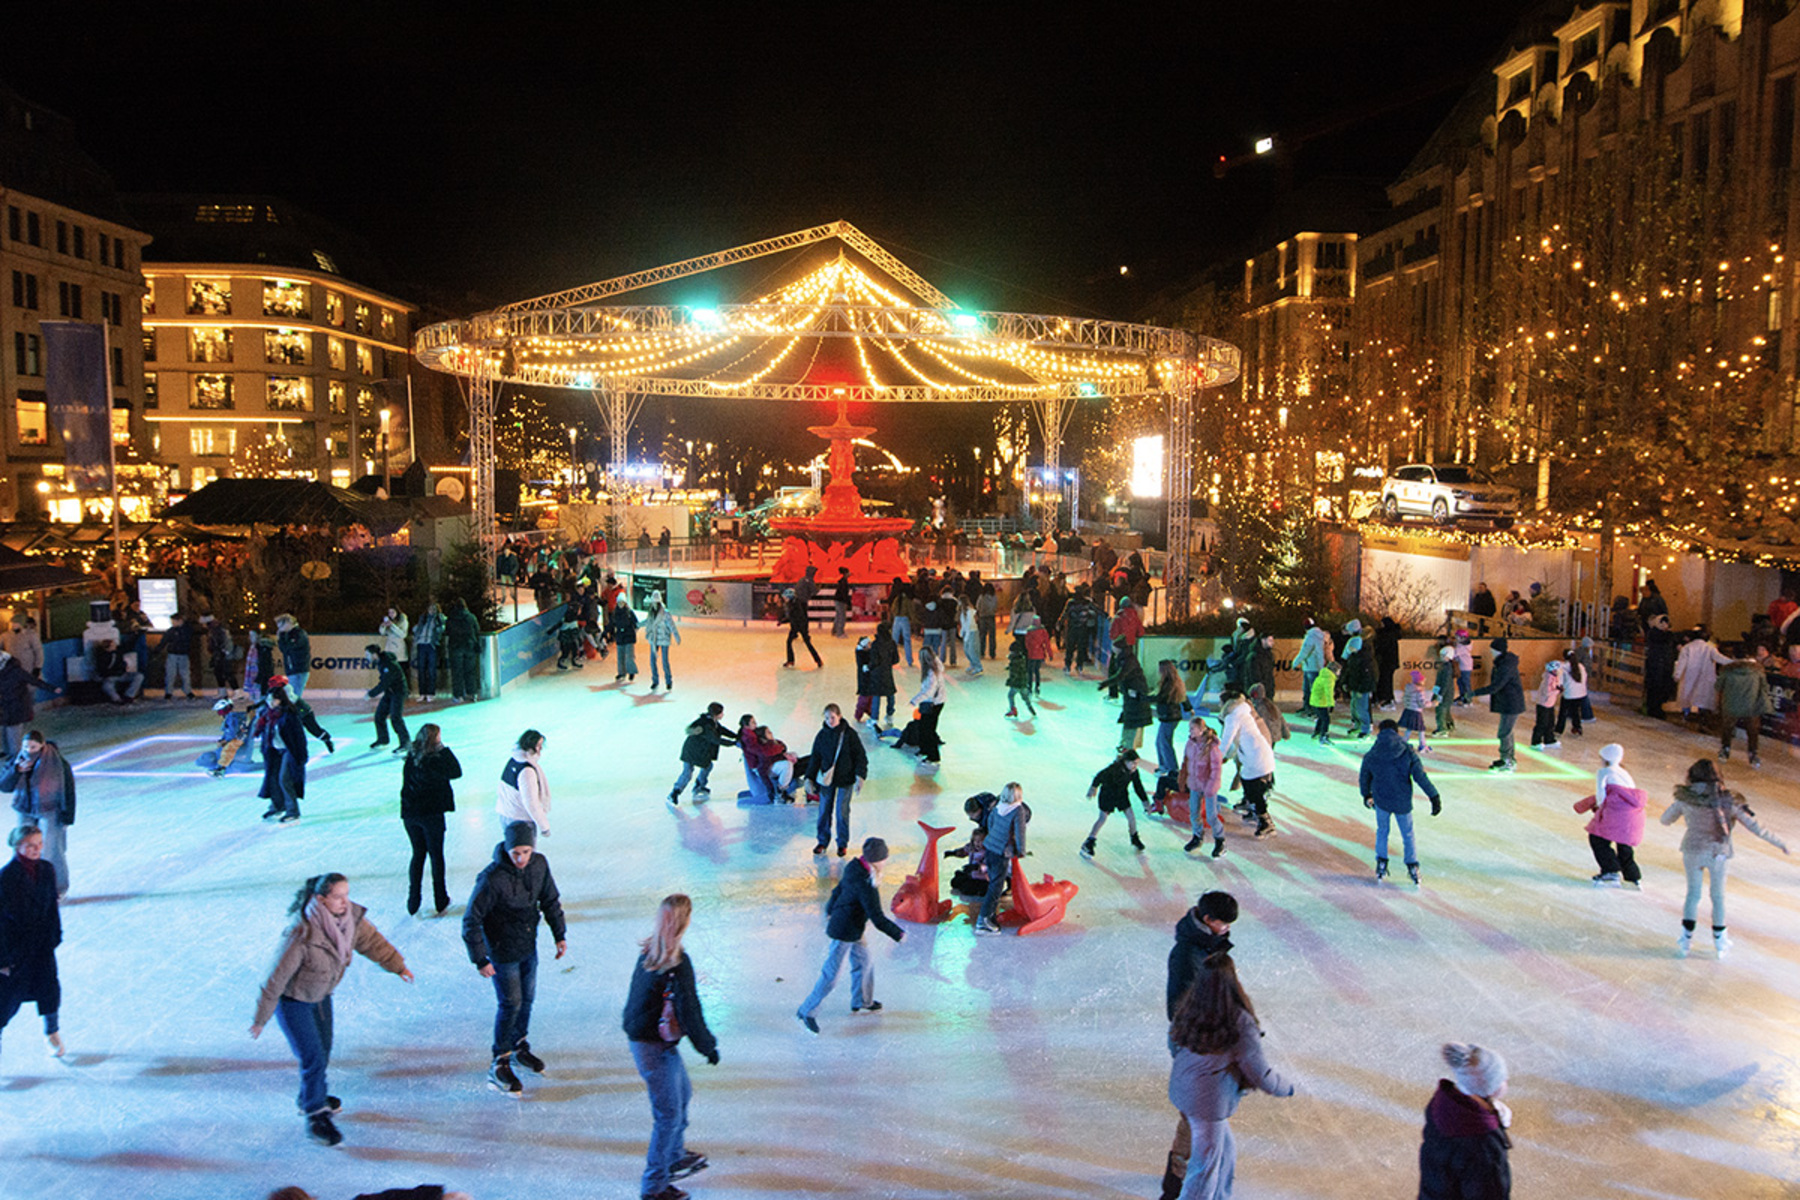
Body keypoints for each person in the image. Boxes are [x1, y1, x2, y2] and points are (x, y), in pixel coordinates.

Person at [252, 872, 412, 1146]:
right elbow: (274, 978)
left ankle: (308, 1097)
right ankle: (316, 1115)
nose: (344, 902)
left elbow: (374, 944)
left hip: (321, 997)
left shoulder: (350, 922)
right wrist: (260, 1018)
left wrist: (398, 966)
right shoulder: (302, 934)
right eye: (338, 897)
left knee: (323, 1052)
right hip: (293, 1002)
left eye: (346, 895)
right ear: (321, 899)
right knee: (312, 1056)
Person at [1167, 952, 1296, 1200]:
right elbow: (1259, 1072)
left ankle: (1221, 1197)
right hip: (1207, 1104)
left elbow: (1173, 1044)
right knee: (1204, 1170)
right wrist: (1285, 1087)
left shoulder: (1189, 1008)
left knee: (1225, 1154)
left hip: (1184, 1091)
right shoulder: (1239, 1022)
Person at [622, 894, 717, 1200]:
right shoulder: (675, 963)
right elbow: (691, 1012)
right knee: (668, 1116)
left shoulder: (652, 950)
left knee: (683, 1095)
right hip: (651, 1046)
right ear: (684, 922)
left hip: (653, 1040)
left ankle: (674, 1156)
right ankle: (654, 1187)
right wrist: (708, 1047)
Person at [463, 821, 567, 1097]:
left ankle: (519, 1045)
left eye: (525, 852)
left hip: (527, 947)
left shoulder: (539, 865)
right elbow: (471, 920)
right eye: (515, 853)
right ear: (507, 849)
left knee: (527, 1000)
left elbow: (550, 900)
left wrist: (559, 934)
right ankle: (500, 1061)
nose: (521, 859)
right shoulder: (492, 878)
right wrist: (480, 959)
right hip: (501, 951)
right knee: (511, 1004)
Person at [1659, 759, 1789, 958]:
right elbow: (1755, 827)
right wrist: (1779, 843)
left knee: (1693, 895)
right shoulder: (1728, 801)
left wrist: (1685, 813)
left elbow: (1665, 820)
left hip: (1693, 850)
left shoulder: (1686, 798)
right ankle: (1720, 940)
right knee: (1718, 897)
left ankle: (1686, 938)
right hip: (1719, 852)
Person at [1159, 891, 1238, 1200]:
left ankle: (1179, 1182)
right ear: (1207, 920)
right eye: (1224, 923)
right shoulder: (1187, 956)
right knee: (1195, 1118)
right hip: (1194, 1047)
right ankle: (1174, 1185)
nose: (1228, 929)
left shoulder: (1205, 944)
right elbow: (1180, 1010)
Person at [796, 836, 905, 1033]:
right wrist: (898, 934)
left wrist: (829, 908)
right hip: (844, 930)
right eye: (884, 858)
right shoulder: (865, 883)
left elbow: (838, 890)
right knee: (831, 975)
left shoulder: (855, 867)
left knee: (864, 963)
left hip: (853, 927)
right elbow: (877, 917)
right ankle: (807, 1010)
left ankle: (863, 1000)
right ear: (877, 860)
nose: (886, 861)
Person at [0, 823, 63, 1062]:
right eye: (30, 846)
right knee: (4, 1003)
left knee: (49, 991)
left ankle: (52, 1032)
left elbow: (51, 907)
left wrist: (55, 936)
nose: (36, 849)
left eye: (39, 844)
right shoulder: (5, 877)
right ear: (18, 847)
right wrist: (3, 959)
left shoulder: (47, 870)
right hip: (15, 951)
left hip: (42, 946)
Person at [1419, 1043, 1512, 1200]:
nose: (1506, 1081)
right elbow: (1488, 1192)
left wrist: (1493, 1115)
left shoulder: (1443, 1104)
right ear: (1491, 1088)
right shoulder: (1483, 1143)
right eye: (1502, 1079)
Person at [1359, 719, 1441, 886]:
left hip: (1381, 800)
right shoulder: (1407, 752)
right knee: (1408, 834)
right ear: (1396, 732)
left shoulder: (1372, 753)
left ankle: (1381, 863)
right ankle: (1412, 865)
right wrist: (1433, 796)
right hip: (1402, 801)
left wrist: (1366, 795)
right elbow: (1420, 776)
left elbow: (1364, 777)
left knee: (1382, 831)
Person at [400, 724, 461, 917]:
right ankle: (440, 898)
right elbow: (457, 772)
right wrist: (444, 749)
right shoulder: (436, 759)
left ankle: (413, 899)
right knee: (436, 855)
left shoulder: (412, 757)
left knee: (418, 854)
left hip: (411, 814)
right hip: (431, 815)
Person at [3, 732, 74, 898]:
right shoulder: (17, 760)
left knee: (51, 849)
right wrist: (16, 770)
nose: (28, 750)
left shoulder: (57, 763)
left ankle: (57, 888)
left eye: (33, 747)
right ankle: (23, 886)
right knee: (22, 847)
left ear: (42, 746)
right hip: (24, 808)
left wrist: (67, 818)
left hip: (50, 810)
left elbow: (68, 791)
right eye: (26, 746)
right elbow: (4, 785)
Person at [1577, 743, 1645, 889]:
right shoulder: (1625, 773)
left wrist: (1598, 808)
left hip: (1616, 813)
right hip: (1633, 816)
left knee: (1597, 839)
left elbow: (1601, 797)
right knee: (1623, 844)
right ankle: (1632, 877)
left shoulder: (1604, 772)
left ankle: (1610, 871)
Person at [809, 704, 868, 857]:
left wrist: (860, 776)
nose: (829, 721)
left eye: (833, 717)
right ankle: (822, 841)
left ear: (840, 716)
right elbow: (815, 757)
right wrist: (809, 778)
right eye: (827, 718)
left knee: (842, 812)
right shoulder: (822, 735)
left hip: (845, 779)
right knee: (823, 811)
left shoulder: (849, 735)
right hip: (827, 781)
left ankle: (842, 843)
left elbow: (860, 756)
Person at [1220, 691, 1278, 838]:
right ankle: (1252, 808)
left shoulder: (1233, 717)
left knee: (1254, 789)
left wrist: (1217, 757)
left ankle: (1266, 822)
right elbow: (1235, 743)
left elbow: (1227, 741)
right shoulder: (1243, 713)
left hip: (1256, 759)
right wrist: (1226, 757)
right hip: (1261, 755)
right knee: (1248, 783)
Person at [974, 782, 1028, 935]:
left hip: (990, 848)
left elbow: (990, 823)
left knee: (994, 883)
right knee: (995, 888)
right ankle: (983, 921)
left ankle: (989, 916)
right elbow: (1020, 832)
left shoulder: (998, 806)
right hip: (1001, 852)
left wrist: (994, 839)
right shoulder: (1018, 810)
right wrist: (1021, 851)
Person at [1082, 748, 1149, 857]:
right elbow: (1099, 776)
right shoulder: (1113, 769)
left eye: (1137, 763)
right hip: (1108, 795)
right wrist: (1093, 787)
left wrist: (1145, 801)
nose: (1135, 766)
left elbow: (1138, 787)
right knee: (1102, 818)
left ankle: (1134, 837)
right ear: (1126, 762)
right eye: (1134, 763)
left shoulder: (1133, 772)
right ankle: (1089, 841)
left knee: (1131, 817)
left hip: (1121, 795)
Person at [256, 688, 309, 824]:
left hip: (288, 750)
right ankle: (277, 806)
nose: (271, 702)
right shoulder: (266, 714)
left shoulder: (289, 715)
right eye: (269, 699)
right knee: (272, 779)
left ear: (280, 699)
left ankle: (293, 811)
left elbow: (299, 736)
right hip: (273, 751)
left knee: (284, 779)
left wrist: (302, 755)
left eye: (274, 699)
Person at [1473, 638, 1525, 772]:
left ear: (1498, 650)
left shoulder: (1506, 666)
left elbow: (1496, 686)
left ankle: (1507, 761)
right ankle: (1508, 758)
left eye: (1492, 650)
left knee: (1504, 732)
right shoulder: (1503, 663)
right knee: (1506, 732)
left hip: (1511, 703)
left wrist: (1474, 693)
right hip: (1508, 701)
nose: (1491, 652)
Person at [670, 703, 736, 805]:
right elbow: (715, 739)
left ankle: (698, 786)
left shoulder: (710, 721)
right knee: (688, 772)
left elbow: (721, 730)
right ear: (717, 714)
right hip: (693, 751)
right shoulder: (707, 724)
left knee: (707, 767)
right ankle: (675, 792)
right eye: (721, 712)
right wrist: (733, 743)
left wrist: (735, 736)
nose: (723, 714)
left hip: (697, 750)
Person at [1715, 648, 1770, 768]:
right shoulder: (1758, 671)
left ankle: (1725, 749)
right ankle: (1753, 753)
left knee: (1727, 728)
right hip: (1751, 705)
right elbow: (1764, 688)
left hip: (1730, 704)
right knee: (1752, 730)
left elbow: (1718, 687)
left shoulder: (1726, 671)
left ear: (1733, 657)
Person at [1181, 719, 1226, 858]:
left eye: (1193, 729)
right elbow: (1186, 761)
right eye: (1190, 728)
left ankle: (1220, 841)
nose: (1190, 731)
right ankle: (1197, 837)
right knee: (1194, 812)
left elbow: (1216, 770)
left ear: (1201, 730)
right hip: (1194, 784)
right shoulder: (1190, 744)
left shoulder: (1212, 747)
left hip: (1208, 786)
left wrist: (1211, 788)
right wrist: (1182, 778)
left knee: (1211, 816)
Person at [497, 730, 551, 836]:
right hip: (520, 820)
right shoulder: (527, 771)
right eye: (539, 745)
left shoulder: (513, 760)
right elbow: (531, 802)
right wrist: (544, 826)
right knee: (524, 852)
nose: (541, 749)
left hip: (506, 814)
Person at [899, 645, 947, 765]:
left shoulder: (931, 673)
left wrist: (915, 700)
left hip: (933, 704)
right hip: (935, 702)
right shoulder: (936, 666)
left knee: (928, 730)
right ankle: (925, 749)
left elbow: (929, 692)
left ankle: (933, 757)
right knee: (924, 728)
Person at [1673, 628, 1730, 722]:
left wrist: (1677, 675)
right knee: (1703, 695)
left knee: (1687, 694)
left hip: (1689, 675)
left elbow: (1681, 663)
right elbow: (1721, 659)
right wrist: (1736, 662)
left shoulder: (1687, 647)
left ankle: (1686, 713)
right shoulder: (1710, 648)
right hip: (1705, 675)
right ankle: (1702, 715)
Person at [1153, 660, 1193, 785]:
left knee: (1164, 743)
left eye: (1160, 669)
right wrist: (1188, 707)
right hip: (1170, 717)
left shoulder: (1169, 683)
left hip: (1169, 717)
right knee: (1160, 742)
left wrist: (1140, 697)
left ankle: (1172, 770)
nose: (1158, 671)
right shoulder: (1175, 681)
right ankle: (1164, 767)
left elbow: (1160, 698)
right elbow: (1184, 696)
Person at [364, 644, 410, 754]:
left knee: (396, 718)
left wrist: (371, 694)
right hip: (390, 693)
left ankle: (406, 744)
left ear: (374, 655)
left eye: (368, 654)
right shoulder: (381, 662)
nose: (366, 657)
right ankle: (383, 740)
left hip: (398, 693)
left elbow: (384, 683)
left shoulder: (389, 665)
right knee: (379, 716)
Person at [1114, 651, 1153, 753]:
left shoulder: (1136, 678)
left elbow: (1143, 694)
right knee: (1128, 726)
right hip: (1131, 707)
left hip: (1137, 709)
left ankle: (1130, 747)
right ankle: (1126, 744)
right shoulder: (1128, 675)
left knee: (1133, 728)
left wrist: (1135, 694)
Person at [1340, 620, 1373, 737]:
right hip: (1355, 684)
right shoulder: (1354, 658)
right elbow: (1350, 670)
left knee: (1361, 707)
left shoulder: (1364, 659)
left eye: (1351, 647)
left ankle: (1365, 729)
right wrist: (1346, 682)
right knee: (1354, 706)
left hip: (1361, 686)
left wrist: (1361, 688)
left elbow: (1366, 675)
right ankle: (1358, 726)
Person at [641, 593, 680, 690]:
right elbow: (647, 622)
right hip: (654, 639)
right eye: (653, 602)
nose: (654, 604)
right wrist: (637, 625)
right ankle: (655, 680)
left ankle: (668, 681)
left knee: (664, 661)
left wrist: (676, 636)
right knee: (652, 660)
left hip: (664, 639)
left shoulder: (665, 613)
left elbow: (672, 626)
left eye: (656, 602)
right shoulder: (651, 613)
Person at [445, 598, 480, 703]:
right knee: (470, 671)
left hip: (455, 647)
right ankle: (472, 693)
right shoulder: (471, 617)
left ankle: (458, 695)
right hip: (469, 646)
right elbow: (477, 630)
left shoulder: (451, 618)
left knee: (457, 672)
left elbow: (447, 632)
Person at [1293, 618, 1330, 717]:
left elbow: (1304, 652)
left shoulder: (1311, 637)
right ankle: (1310, 708)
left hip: (1311, 667)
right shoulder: (1320, 635)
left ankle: (1312, 710)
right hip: (1316, 666)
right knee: (1310, 689)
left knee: (1309, 689)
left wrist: (1295, 663)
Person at [867, 618, 899, 730]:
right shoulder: (892, 643)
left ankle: (874, 718)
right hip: (887, 672)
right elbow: (896, 659)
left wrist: (868, 667)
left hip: (876, 673)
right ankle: (890, 715)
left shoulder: (876, 644)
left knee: (876, 695)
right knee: (890, 694)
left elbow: (874, 661)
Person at [162, 611, 199, 699]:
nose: (172, 623)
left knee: (181, 674)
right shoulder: (179, 630)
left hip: (179, 654)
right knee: (176, 673)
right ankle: (178, 691)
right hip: (179, 654)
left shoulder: (182, 630)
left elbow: (164, 641)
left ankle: (174, 691)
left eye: (173, 621)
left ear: (179, 621)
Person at [1528, 660, 1564, 750]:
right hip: (1543, 704)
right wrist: (1558, 690)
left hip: (1550, 704)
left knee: (1550, 723)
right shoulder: (1548, 678)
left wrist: (1558, 688)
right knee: (1541, 723)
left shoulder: (1555, 677)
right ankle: (1535, 742)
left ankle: (1549, 739)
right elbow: (1547, 692)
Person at [413, 602, 444, 702]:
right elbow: (417, 629)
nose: (431, 611)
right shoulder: (423, 618)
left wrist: (440, 624)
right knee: (421, 669)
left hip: (432, 645)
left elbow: (441, 629)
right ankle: (422, 693)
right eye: (430, 609)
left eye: (434, 609)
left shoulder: (438, 619)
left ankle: (431, 692)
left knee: (431, 670)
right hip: (421, 644)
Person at [274, 614, 311, 698]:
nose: (279, 629)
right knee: (292, 695)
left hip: (299, 669)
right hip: (292, 669)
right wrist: (281, 638)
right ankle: (294, 709)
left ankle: (296, 710)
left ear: (288, 622)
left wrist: (281, 638)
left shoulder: (299, 634)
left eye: (281, 626)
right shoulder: (287, 634)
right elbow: (283, 649)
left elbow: (290, 647)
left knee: (294, 695)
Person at [1004, 629, 1037, 719]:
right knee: (1025, 698)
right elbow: (1021, 669)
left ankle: (1013, 709)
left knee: (1010, 696)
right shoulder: (1021, 659)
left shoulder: (1014, 661)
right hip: (1023, 684)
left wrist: (1010, 681)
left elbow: (1015, 673)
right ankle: (1031, 709)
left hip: (1016, 684)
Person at [610, 592, 641, 682]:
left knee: (629, 656)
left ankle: (631, 672)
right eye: (619, 602)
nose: (621, 604)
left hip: (629, 637)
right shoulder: (615, 613)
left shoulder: (629, 612)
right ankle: (621, 672)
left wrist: (634, 630)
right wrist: (606, 632)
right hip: (620, 636)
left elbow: (636, 623)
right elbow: (611, 624)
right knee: (620, 656)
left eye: (622, 602)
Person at [1557, 649, 1588, 738]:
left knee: (1563, 712)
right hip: (1580, 693)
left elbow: (1560, 682)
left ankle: (1559, 730)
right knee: (1576, 711)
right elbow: (1584, 678)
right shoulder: (1581, 666)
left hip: (1569, 694)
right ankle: (1577, 727)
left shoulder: (1563, 667)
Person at [1373, 616, 1402, 709]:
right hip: (1390, 662)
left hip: (1386, 662)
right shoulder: (1392, 635)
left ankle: (1386, 698)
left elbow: (1381, 647)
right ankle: (1387, 698)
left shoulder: (1387, 635)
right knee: (1387, 680)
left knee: (1385, 680)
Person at [378, 607, 410, 688]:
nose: (390, 614)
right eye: (389, 612)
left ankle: (404, 689)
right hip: (390, 648)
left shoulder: (403, 621)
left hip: (399, 649)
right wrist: (383, 625)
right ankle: (392, 688)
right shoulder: (389, 621)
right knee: (390, 670)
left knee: (401, 670)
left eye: (392, 612)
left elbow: (402, 634)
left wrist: (392, 625)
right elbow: (382, 633)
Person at [1399, 669, 1431, 752]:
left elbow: (1405, 699)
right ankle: (1422, 745)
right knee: (1421, 729)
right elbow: (1422, 704)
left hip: (1408, 710)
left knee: (1410, 727)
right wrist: (1431, 704)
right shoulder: (1419, 691)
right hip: (1416, 712)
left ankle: (1404, 741)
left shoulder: (1408, 688)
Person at [1308, 661, 1338, 745]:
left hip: (1315, 701)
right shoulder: (1329, 678)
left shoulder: (1323, 675)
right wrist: (1331, 704)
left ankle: (1317, 732)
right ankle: (1323, 736)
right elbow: (1329, 692)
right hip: (1320, 702)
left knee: (1322, 717)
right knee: (1326, 719)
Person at [205, 614, 236, 694]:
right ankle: (224, 691)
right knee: (220, 673)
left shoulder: (217, 630)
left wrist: (224, 651)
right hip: (221, 653)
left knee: (226, 673)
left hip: (222, 654)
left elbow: (220, 642)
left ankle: (234, 691)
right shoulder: (217, 629)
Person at [832, 566, 852, 638]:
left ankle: (835, 630)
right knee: (842, 617)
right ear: (845, 573)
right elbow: (844, 593)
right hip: (841, 601)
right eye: (848, 572)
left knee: (838, 616)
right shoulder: (844, 582)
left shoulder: (842, 581)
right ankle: (839, 633)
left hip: (838, 600)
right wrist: (848, 602)